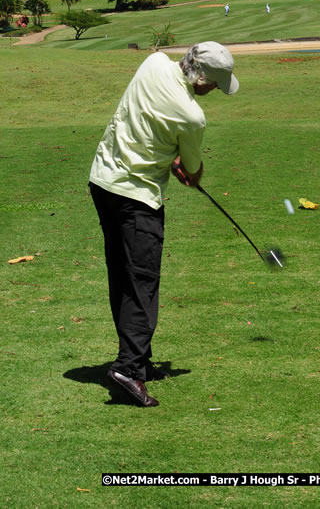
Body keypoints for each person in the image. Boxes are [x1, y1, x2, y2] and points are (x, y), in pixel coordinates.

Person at [89, 42, 239, 407]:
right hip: (137, 198)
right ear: (201, 78)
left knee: (123, 276)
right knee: (141, 283)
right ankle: (128, 368)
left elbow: (147, 121)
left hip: (102, 182)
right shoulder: (192, 115)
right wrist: (187, 170)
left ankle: (138, 359)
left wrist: (168, 156)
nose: (215, 91)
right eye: (215, 84)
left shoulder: (153, 62)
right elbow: (191, 170)